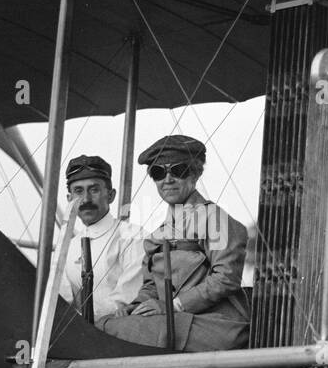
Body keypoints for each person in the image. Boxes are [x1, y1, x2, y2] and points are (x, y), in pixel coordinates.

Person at [98, 135, 250, 351]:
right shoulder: (160, 233)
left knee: (110, 332)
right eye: (158, 173)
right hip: (178, 321)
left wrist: (173, 306)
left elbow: (225, 279)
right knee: (106, 325)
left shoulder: (215, 219)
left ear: (196, 174)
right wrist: (135, 307)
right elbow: (151, 285)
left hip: (216, 325)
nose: (167, 179)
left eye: (178, 170)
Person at [58, 155, 145, 322]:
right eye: (78, 191)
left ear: (111, 195)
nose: (86, 199)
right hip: (79, 336)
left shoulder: (133, 237)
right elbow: (63, 301)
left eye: (94, 189)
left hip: (122, 332)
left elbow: (124, 300)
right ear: (69, 199)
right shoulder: (67, 248)